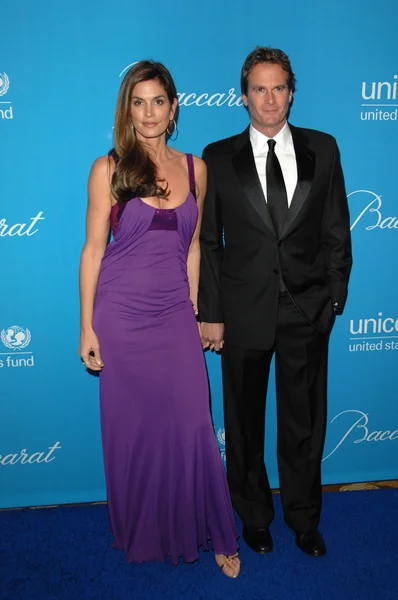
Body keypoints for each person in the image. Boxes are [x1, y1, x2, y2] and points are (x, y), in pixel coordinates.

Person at [78, 60, 240, 577]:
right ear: (127, 109)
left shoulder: (197, 169)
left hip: (174, 313)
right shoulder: (108, 169)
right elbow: (93, 252)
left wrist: (192, 312)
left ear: (174, 108)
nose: (148, 112)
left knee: (194, 423)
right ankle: (143, 529)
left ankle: (215, 532)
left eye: (158, 101)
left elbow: (194, 247)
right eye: (138, 101)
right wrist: (86, 325)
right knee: (136, 432)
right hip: (121, 317)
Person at [199, 47, 352, 558]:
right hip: (242, 312)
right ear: (243, 95)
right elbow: (211, 243)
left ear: (291, 92)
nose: (270, 99)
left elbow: (336, 231)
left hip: (307, 311)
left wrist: (333, 298)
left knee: (304, 425)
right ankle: (255, 517)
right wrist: (212, 312)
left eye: (279, 87)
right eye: (259, 89)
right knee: (243, 424)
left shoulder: (323, 150)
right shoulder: (218, 157)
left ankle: (304, 519)